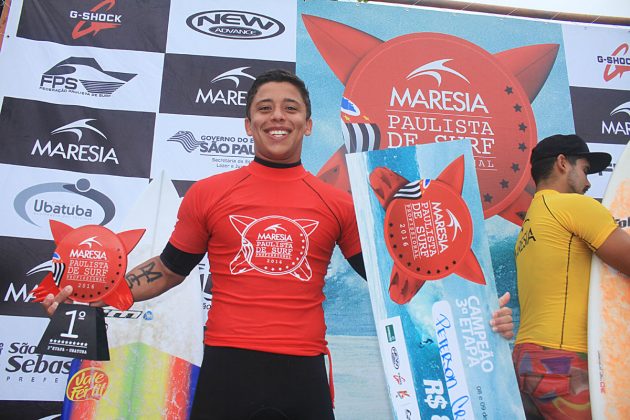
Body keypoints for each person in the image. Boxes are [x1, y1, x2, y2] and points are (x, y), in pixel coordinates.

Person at [43, 69, 514, 420]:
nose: (277, 117)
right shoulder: (210, 193)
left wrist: (477, 309)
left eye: (290, 108)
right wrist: (94, 293)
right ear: (249, 124)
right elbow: (166, 270)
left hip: (302, 371)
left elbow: (396, 284)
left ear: (308, 124)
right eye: (264, 107)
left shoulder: (338, 205)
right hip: (229, 365)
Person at [513, 134, 630, 420]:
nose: (589, 183)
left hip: (525, 363)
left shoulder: (528, 227)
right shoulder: (573, 207)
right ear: (563, 163)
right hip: (564, 364)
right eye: (586, 170)